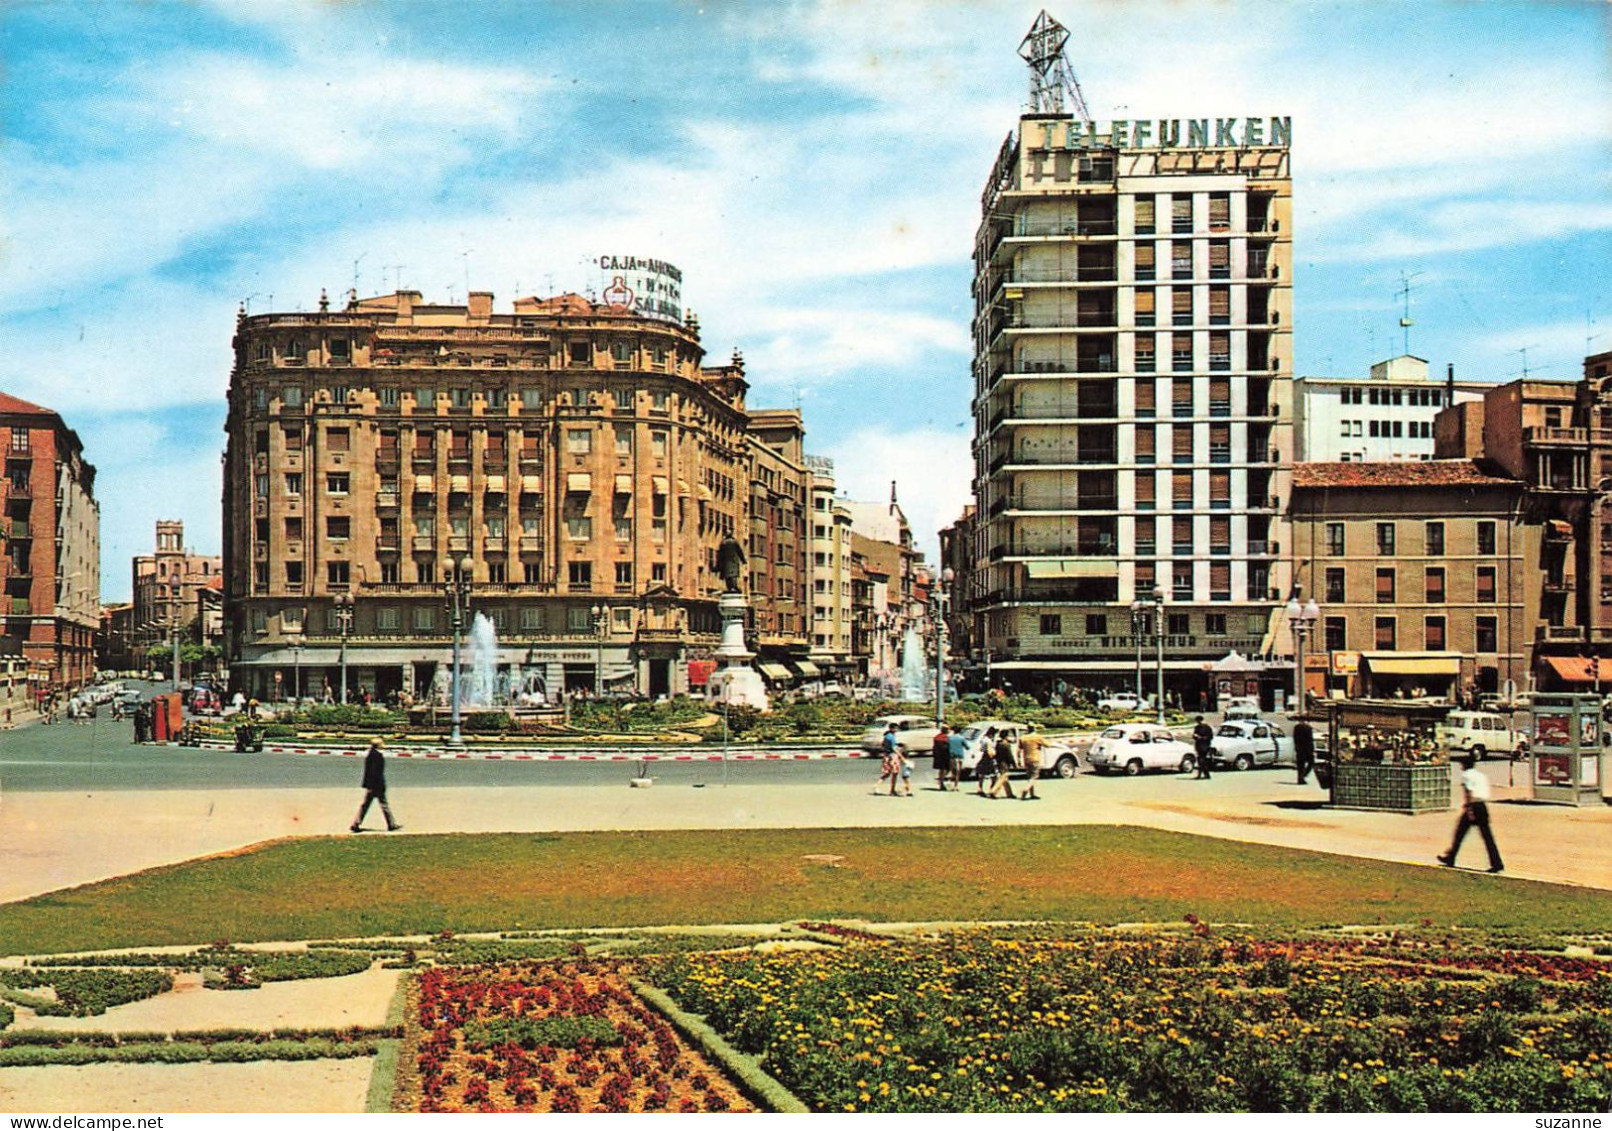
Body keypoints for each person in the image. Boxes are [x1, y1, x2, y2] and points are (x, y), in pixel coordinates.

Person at [1439, 752, 1503, 873]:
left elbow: (1469, 792)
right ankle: (1497, 862)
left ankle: (1450, 857)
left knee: (1460, 833)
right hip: (1483, 805)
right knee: (1487, 837)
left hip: (1473, 806)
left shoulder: (1466, 775)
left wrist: (1469, 810)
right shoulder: (1480, 775)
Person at [352, 736, 402, 833]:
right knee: (383, 805)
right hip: (377, 785)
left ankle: (356, 823)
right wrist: (377, 784)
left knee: (366, 805)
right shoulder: (377, 756)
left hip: (372, 784)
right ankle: (391, 824)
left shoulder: (370, 754)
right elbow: (375, 772)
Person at [1018, 725, 1046, 800]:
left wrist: (1018, 759)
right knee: (1034, 776)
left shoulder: (1023, 737)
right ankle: (1026, 789)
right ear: (1034, 729)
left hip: (1026, 759)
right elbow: (1047, 745)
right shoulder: (1037, 737)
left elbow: (1019, 749)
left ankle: (1032, 794)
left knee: (1029, 776)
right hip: (1035, 758)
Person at [988, 732, 1017, 799]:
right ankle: (993, 791)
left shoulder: (998, 744)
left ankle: (1009, 793)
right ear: (1006, 736)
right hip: (1005, 763)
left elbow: (996, 754)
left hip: (999, 762)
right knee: (1003, 778)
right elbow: (1010, 755)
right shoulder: (1006, 744)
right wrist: (1014, 763)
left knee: (1005, 779)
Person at [875, 725, 900, 795]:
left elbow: (882, 745)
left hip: (886, 756)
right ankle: (892, 790)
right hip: (892, 756)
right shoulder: (892, 737)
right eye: (896, 728)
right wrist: (901, 756)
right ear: (892, 729)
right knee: (895, 773)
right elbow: (894, 748)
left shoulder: (886, 736)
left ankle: (877, 786)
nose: (897, 730)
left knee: (887, 773)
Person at [1294, 718, 1316, 785]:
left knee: (1300, 765)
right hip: (1307, 749)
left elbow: (1295, 738)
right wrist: (1312, 749)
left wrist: (1296, 747)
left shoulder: (1296, 727)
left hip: (1299, 749)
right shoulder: (1308, 728)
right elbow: (1310, 740)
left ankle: (1300, 778)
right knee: (1311, 763)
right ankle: (1304, 775)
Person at [932, 725, 953, 791]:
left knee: (941, 770)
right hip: (945, 756)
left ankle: (941, 782)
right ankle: (941, 781)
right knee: (948, 769)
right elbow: (948, 747)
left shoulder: (936, 737)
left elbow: (934, 747)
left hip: (938, 756)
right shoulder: (946, 738)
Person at [947, 727, 967, 792]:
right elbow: (967, 747)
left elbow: (947, 746)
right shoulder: (962, 738)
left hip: (952, 756)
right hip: (960, 756)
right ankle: (956, 786)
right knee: (958, 772)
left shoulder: (950, 738)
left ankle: (950, 783)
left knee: (952, 770)